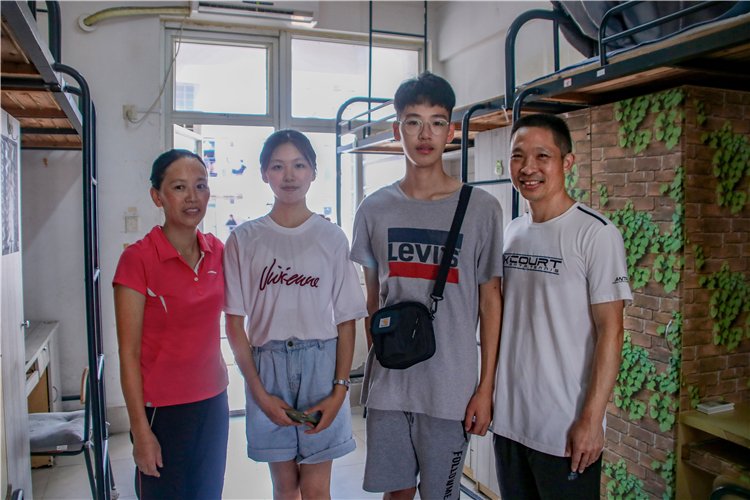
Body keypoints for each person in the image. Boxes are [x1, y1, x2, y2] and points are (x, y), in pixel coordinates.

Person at [350, 72, 504, 500]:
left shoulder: (482, 209)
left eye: (436, 122)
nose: (425, 134)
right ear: (397, 128)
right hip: (390, 388)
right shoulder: (374, 209)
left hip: (451, 389)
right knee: (395, 495)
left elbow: (491, 302)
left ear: (450, 132)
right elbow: (372, 302)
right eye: (413, 121)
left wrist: (486, 388)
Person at [492, 113, 632, 500]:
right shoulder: (512, 232)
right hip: (509, 423)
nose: (528, 168)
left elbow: (612, 331)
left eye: (543, 156)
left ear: (567, 162)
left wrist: (592, 419)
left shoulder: (596, 233)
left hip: (565, 432)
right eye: (518, 156)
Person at [223, 130, 367, 499]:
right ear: (264, 173)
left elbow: (346, 320)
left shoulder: (331, 237)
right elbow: (235, 324)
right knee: (285, 489)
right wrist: (259, 393)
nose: (289, 175)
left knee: (316, 490)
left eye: (299, 165)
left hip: (321, 367)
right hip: (267, 368)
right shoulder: (244, 239)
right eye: (278, 166)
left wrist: (340, 389)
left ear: (313, 172)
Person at [113, 150, 229, 499]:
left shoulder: (219, 251)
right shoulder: (137, 259)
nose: (193, 197)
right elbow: (128, 353)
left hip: (213, 403)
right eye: (179, 187)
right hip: (160, 413)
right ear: (157, 197)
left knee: (208, 494)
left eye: (200, 186)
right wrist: (140, 432)